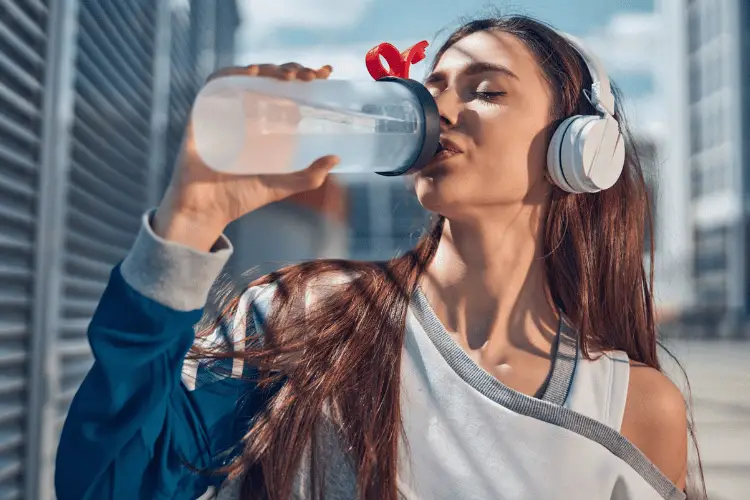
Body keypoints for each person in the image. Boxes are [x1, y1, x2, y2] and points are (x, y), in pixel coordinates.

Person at [55, 15, 702, 500]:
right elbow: (111, 484)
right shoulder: (303, 317)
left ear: (579, 147)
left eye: (484, 90)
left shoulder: (635, 407)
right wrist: (189, 222)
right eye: (434, 86)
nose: (440, 109)